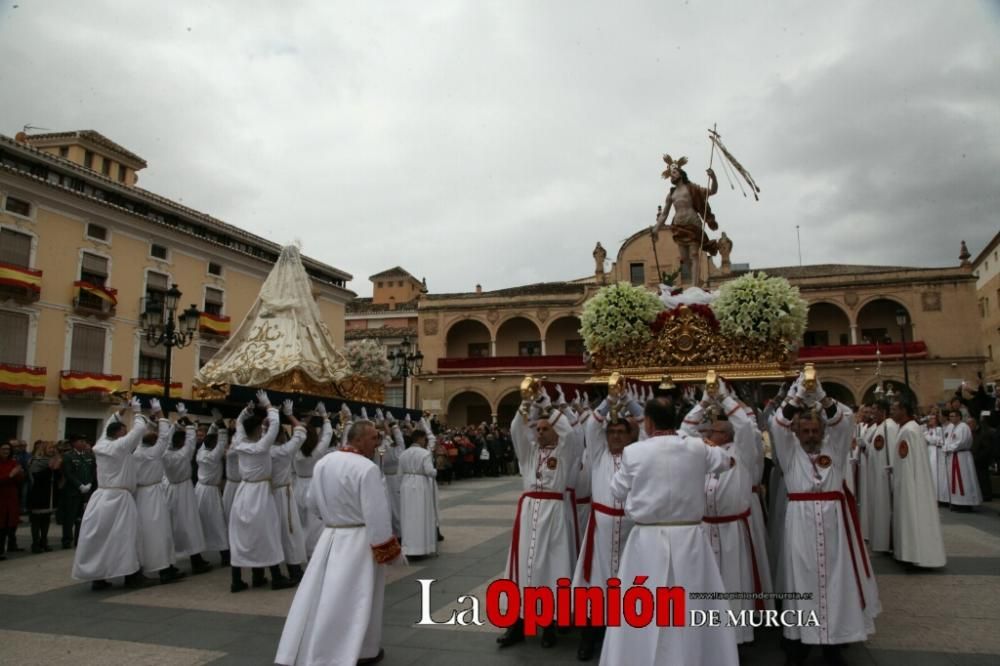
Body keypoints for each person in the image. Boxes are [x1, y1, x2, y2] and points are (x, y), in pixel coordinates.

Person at [600, 398, 739, 666]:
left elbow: (616, 491)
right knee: (691, 605)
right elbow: (727, 461)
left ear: (648, 423)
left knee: (645, 606)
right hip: (689, 538)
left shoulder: (634, 453)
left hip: (647, 540)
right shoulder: (698, 448)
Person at [770, 376, 879, 666]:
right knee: (801, 581)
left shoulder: (836, 448)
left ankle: (834, 643)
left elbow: (844, 419)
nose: (809, 435)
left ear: (822, 431)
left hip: (833, 524)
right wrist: (796, 399)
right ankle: (800, 643)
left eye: (814, 430)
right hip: (800, 524)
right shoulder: (789, 450)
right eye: (804, 430)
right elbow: (778, 424)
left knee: (836, 581)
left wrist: (818, 393)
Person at [275, 419, 403, 666]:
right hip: (359, 542)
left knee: (326, 593)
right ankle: (361, 649)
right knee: (360, 597)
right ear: (358, 439)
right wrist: (387, 550)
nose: (377, 443)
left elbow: (311, 502)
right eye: (373, 438)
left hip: (331, 536)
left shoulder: (324, 462)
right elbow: (376, 513)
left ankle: (325, 644)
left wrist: (333, 517)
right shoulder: (367, 469)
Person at [683, 382, 773, 646]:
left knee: (733, 587)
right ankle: (704, 639)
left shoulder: (743, 452)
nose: (710, 432)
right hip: (703, 529)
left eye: (717, 430)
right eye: (708, 428)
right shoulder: (699, 452)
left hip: (731, 529)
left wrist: (723, 397)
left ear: (729, 433)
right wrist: (702, 403)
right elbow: (685, 430)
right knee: (703, 587)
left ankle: (734, 641)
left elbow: (745, 426)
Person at [497, 387, 581, 650]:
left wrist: (549, 407)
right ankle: (519, 622)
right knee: (524, 566)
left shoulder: (565, 454)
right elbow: (516, 432)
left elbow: (571, 435)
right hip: (529, 512)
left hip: (554, 513)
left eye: (546, 429)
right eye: (539, 429)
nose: (541, 432)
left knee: (552, 566)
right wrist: (526, 406)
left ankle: (549, 623)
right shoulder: (529, 454)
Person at [572, 395, 639, 661]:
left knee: (630, 585)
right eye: (611, 432)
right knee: (595, 585)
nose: (616, 436)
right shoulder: (599, 455)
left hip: (632, 531)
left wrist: (630, 401)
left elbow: (647, 427)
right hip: (600, 530)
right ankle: (590, 637)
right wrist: (610, 400)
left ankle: (629, 637)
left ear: (630, 434)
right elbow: (591, 427)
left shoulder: (638, 455)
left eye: (621, 431)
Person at [72, 398, 150, 589]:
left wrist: (122, 410)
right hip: (120, 499)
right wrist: (138, 412)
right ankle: (131, 575)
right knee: (127, 536)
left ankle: (99, 577)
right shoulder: (119, 446)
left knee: (101, 537)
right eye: (123, 431)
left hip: (100, 497)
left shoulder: (101, 445)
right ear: (118, 434)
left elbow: (108, 426)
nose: (125, 433)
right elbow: (139, 431)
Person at [229, 391, 295, 592]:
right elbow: (274, 427)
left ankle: (237, 580)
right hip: (260, 494)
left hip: (243, 492)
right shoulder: (261, 447)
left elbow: (239, 426)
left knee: (240, 535)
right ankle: (276, 577)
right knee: (268, 532)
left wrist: (245, 412)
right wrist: (268, 406)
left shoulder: (239, 443)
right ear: (258, 429)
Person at [888, 399, 946, 568]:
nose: (892, 412)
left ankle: (912, 554)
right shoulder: (908, 428)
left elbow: (907, 461)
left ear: (904, 410)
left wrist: (901, 478)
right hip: (907, 479)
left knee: (911, 515)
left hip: (909, 483)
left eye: (894, 408)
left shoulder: (909, 430)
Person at [133, 399, 184, 584]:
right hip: (153, 495)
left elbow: (141, 434)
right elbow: (164, 436)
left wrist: (139, 414)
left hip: (139, 496)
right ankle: (164, 568)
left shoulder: (136, 451)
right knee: (160, 532)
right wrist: (160, 413)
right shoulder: (154, 452)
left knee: (143, 533)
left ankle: (153, 566)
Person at [652, 155, 719, 286]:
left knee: (694, 254)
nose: (672, 176)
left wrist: (713, 178)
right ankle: (698, 280)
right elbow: (664, 214)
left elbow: (713, 191)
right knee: (684, 258)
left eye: (674, 173)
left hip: (693, 223)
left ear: (681, 174)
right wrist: (656, 228)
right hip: (678, 226)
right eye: (671, 174)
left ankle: (695, 285)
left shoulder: (692, 188)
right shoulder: (671, 194)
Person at [163, 402, 212, 576]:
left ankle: (169, 561)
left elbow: (167, 440)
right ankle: (196, 560)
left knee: (171, 525)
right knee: (190, 524)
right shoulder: (184, 454)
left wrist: (176, 425)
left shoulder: (165, 454)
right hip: (184, 489)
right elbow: (191, 437)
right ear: (182, 443)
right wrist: (186, 418)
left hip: (169, 489)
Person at [272, 400, 308, 583]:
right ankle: (294, 569)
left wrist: (271, 416)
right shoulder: (283, 451)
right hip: (283, 494)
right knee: (289, 531)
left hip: (267, 494)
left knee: (272, 532)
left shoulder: (261, 449)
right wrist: (289, 414)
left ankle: (270, 571)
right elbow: (301, 432)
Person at [292, 402, 334, 558]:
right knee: (315, 523)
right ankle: (314, 552)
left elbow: (299, 436)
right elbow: (327, 435)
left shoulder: (295, 450)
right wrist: (324, 417)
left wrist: (305, 422)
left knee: (301, 523)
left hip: (297, 486)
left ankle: (300, 551)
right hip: (313, 486)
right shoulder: (317, 452)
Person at [195, 410, 230, 566]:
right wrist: (221, 426)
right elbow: (222, 441)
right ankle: (224, 554)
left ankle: (198, 555)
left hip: (199, 489)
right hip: (210, 492)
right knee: (217, 522)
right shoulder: (213, 456)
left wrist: (215, 424)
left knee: (199, 522)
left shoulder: (201, 452)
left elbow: (210, 440)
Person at [860, 400, 894, 552]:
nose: (872, 412)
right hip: (875, 473)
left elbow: (889, 451)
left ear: (882, 411)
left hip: (884, 476)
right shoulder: (879, 427)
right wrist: (865, 447)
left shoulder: (888, 427)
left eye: (874, 409)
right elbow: (874, 450)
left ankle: (887, 541)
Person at [398, 429, 438, 557]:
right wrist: (436, 471)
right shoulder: (424, 453)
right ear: (420, 439)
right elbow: (429, 471)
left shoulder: (403, 453)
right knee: (421, 514)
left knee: (408, 515)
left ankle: (408, 547)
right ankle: (421, 547)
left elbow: (399, 472)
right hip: (420, 485)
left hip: (406, 484)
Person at [60, 434, 95, 549]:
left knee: (83, 517)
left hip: (86, 491)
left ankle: (79, 539)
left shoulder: (89, 456)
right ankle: (67, 540)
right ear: (74, 443)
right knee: (70, 517)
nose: (84, 443)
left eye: (85, 441)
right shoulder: (68, 456)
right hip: (73, 491)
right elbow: (68, 473)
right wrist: (79, 485)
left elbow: (92, 471)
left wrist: (90, 483)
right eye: (81, 441)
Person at [27, 441, 61, 553]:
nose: (52, 450)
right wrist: (49, 468)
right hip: (38, 493)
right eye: (50, 448)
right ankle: (35, 544)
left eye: (53, 448)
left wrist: (56, 468)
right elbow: (35, 477)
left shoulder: (55, 461)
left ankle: (44, 542)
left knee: (46, 520)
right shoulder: (36, 461)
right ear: (44, 449)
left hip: (50, 494)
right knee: (36, 520)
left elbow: (58, 477)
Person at [943, 410, 981, 510]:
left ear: (959, 417)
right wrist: (945, 446)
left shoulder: (964, 427)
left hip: (962, 456)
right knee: (953, 479)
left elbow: (961, 442)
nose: (951, 418)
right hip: (952, 456)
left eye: (954, 416)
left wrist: (948, 448)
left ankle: (966, 503)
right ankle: (956, 502)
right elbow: (945, 439)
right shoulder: (950, 427)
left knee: (964, 479)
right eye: (950, 416)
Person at [0, 442, 24, 560]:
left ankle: (7, 547)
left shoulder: (13, 463)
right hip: (1, 496)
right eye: (3, 449)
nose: (6, 451)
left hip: (11, 496)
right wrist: (11, 475)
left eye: (8, 449)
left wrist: (19, 474)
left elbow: (19, 480)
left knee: (8, 524)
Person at [922, 413, 947, 503]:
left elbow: (939, 441)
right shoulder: (927, 430)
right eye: (930, 419)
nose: (930, 420)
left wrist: (927, 436)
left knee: (935, 473)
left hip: (936, 452)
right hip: (929, 451)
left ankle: (937, 496)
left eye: (932, 419)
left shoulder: (940, 429)